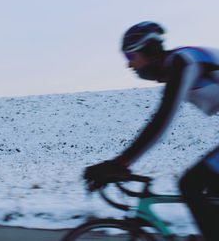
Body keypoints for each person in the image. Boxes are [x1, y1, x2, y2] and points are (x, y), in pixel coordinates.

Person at [83, 21, 219, 241]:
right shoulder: (178, 66)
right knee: (211, 198)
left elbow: (162, 120)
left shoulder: (183, 62)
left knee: (191, 184)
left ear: (147, 50)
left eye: (130, 57)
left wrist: (120, 162)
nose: (129, 66)